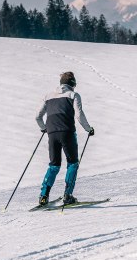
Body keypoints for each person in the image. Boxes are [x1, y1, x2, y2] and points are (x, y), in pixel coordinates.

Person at [36, 71, 94, 206]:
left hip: (52, 134)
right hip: (67, 132)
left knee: (54, 165)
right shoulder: (74, 95)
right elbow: (79, 115)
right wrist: (88, 129)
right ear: (72, 84)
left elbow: (37, 117)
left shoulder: (48, 96)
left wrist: (44, 128)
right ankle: (68, 195)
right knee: (73, 163)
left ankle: (43, 196)